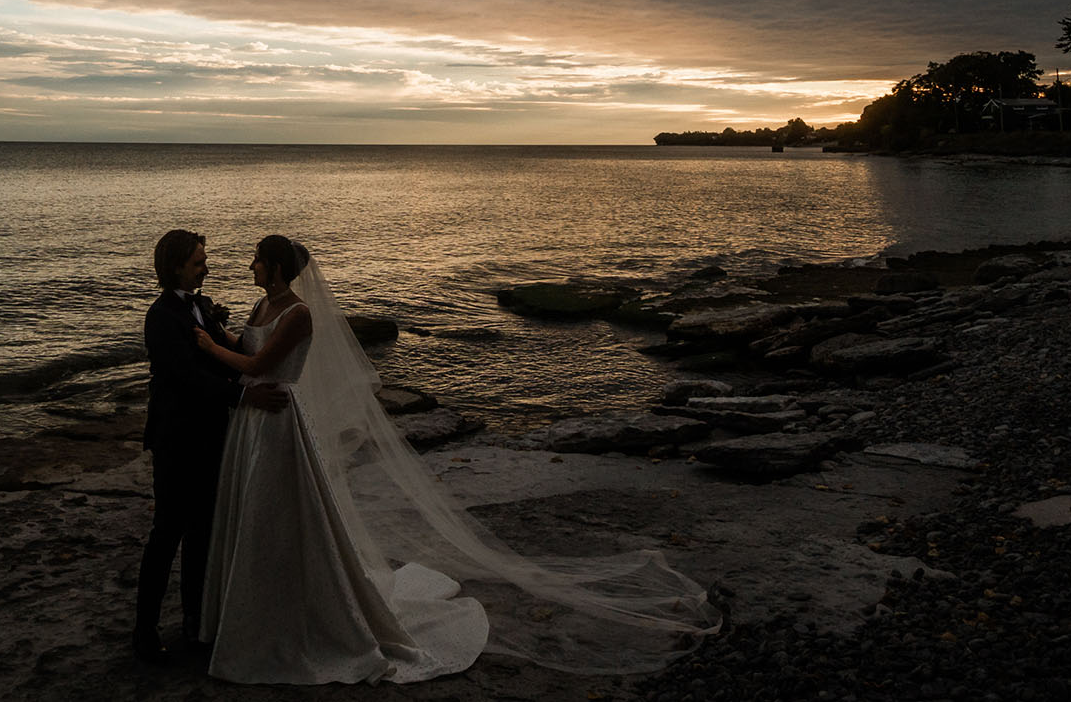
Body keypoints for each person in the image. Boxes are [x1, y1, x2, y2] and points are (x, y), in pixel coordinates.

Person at [193, 234, 716, 683]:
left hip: (282, 421)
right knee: (261, 515)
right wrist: (218, 332)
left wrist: (205, 345)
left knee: (290, 513)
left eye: (257, 258)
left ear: (277, 265)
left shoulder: (299, 313)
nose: (251, 266)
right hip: (255, 423)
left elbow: (259, 361)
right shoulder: (261, 307)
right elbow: (245, 342)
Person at [132, 229, 284, 665]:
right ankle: (144, 633)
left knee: (202, 534)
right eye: (199, 262)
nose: (207, 267)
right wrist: (242, 396)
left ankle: (196, 624)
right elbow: (183, 377)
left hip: (213, 437)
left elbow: (220, 356)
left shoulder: (200, 306)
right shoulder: (160, 316)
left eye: (205, 260)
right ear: (177, 265)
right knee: (166, 535)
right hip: (177, 440)